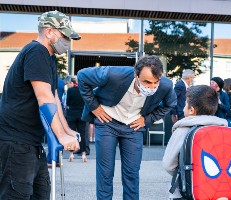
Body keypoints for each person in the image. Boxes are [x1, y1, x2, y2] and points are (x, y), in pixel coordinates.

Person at [0, 10, 80, 199]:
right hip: (15, 140)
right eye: (64, 35)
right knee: (16, 194)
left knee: (41, 193)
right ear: (50, 32)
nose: (68, 41)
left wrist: (67, 132)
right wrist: (60, 136)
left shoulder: (49, 57)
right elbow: (43, 98)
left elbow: (54, 98)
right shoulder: (36, 52)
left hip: (32, 141)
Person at [77, 55, 177, 200]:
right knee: (105, 172)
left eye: (156, 82)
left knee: (132, 173)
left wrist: (147, 119)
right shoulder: (114, 74)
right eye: (147, 82)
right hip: (107, 122)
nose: (151, 87)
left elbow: (170, 104)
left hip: (133, 127)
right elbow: (82, 76)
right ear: (136, 75)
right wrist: (94, 107)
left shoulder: (166, 86)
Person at [163, 85, 228, 199]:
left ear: (191, 110)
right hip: (219, 191)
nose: (183, 107)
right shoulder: (225, 129)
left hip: (186, 192)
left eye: (185, 104)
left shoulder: (182, 130)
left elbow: (169, 165)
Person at [66, 76, 88, 163]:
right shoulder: (83, 90)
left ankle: (71, 154)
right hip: (81, 114)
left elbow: (67, 102)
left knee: (72, 134)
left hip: (72, 114)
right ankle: (83, 154)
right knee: (82, 134)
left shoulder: (70, 90)